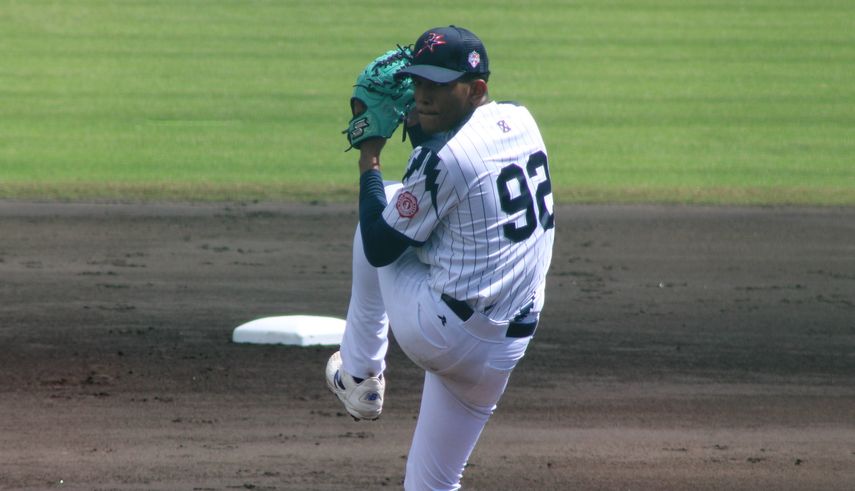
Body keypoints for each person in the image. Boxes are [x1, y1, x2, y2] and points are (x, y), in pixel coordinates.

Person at [325, 25, 555, 490]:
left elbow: (380, 244)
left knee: (382, 207)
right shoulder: (522, 120)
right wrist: (419, 121)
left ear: (476, 90)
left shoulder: (445, 160)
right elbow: (458, 171)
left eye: (437, 85)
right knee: (430, 485)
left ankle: (360, 376)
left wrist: (369, 155)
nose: (422, 96)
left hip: (444, 335)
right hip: (507, 343)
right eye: (418, 83)